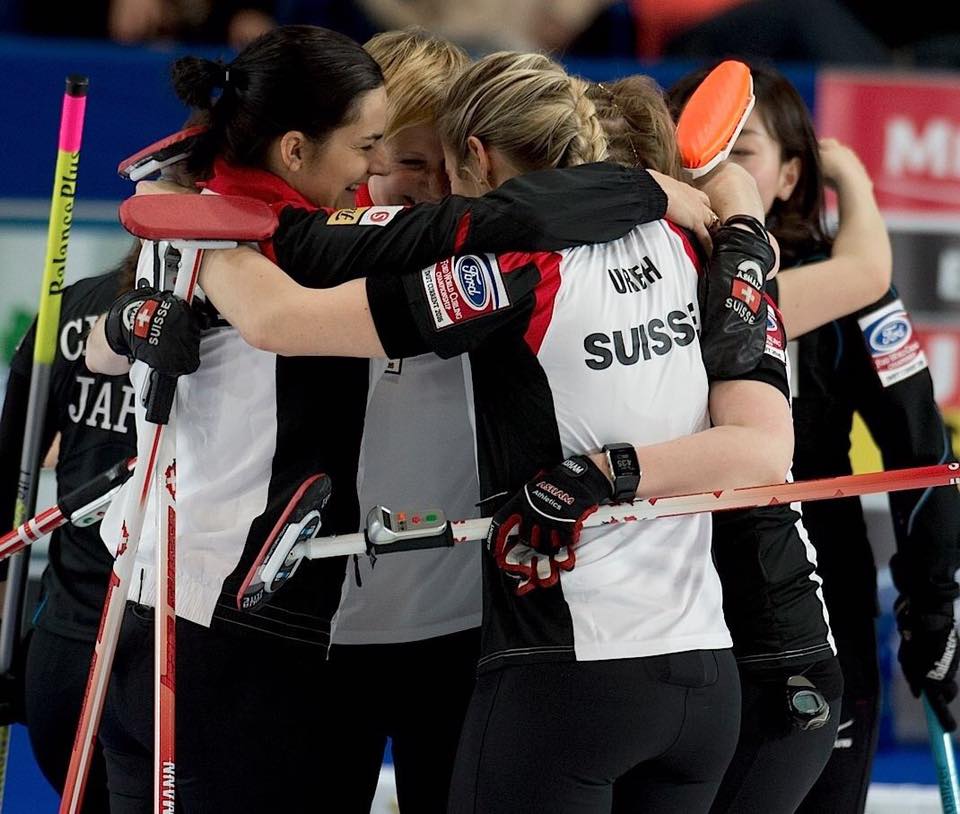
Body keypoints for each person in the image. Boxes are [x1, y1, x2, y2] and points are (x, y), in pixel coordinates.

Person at [125, 51, 797, 812]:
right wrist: (733, 203)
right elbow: (765, 449)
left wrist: (202, 241)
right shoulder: (708, 248)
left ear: (473, 156)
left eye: (430, 160)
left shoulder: (515, 269)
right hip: (701, 677)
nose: (415, 181)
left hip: (561, 670)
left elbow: (284, 317)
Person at [670, 63, 960, 814]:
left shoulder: (847, 292)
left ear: (792, 172)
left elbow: (920, 455)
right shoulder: (651, 274)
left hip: (821, 612)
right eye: (699, 149)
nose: (713, 171)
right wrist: (854, 179)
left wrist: (933, 607)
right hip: (675, 608)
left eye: (743, 150)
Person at [591, 75, 843, 812]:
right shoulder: (574, 270)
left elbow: (866, 275)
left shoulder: (720, 266)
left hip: (771, 647)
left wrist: (740, 217)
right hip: (671, 644)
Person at [324, 28, 481, 814]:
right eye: (408, 162)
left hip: (459, 635)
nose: (429, 187)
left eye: (448, 167)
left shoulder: (492, 268)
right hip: (321, 636)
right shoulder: (305, 264)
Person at [0, 247, 139, 812]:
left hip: (75, 649)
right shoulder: (74, 313)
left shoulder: (74, 305)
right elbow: (14, 468)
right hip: (116, 646)